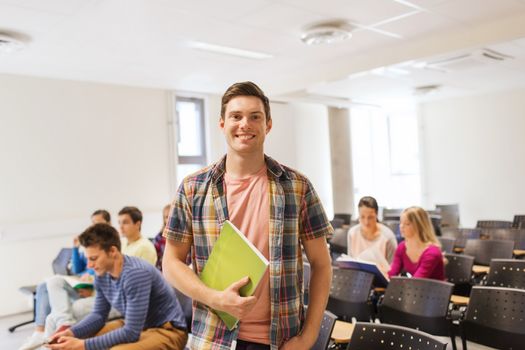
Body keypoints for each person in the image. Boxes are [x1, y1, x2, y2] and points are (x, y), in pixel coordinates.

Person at [162, 81, 333, 350]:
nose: (245, 124)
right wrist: (215, 298)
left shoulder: (297, 187)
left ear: (268, 125)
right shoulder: (193, 188)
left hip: (282, 341)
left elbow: (322, 265)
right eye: (236, 116)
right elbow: (171, 263)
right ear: (222, 124)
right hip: (213, 339)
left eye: (255, 117)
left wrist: (308, 337)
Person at [47, 223, 188, 350]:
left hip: (169, 331)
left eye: (93, 258)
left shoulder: (135, 274)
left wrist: (83, 345)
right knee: (82, 338)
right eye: (88, 259)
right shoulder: (102, 274)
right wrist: (71, 332)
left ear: (113, 251)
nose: (89, 265)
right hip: (141, 326)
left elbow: (131, 333)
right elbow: (98, 315)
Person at [19, 210, 110, 350]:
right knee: (47, 284)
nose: (94, 225)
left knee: (52, 316)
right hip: (81, 279)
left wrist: (91, 280)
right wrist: (75, 248)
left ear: (107, 223)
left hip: (91, 285)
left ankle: (56, 327)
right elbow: (77, 268)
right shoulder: (90, 242)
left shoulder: (109, 244)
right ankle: (39, 331)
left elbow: (103, 267)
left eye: (98, 222)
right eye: (93, 222)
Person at [388, 206, 445, 280]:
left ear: (419, 226)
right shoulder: (402, 247)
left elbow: (416, 281)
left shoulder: (432, 252)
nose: (401, 226)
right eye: (401, 223)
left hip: (432, 290)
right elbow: (392, 274)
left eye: (407, 224)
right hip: (416, 289)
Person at [347, 196, 397, 275]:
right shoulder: (352, 233)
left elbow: (393, 270)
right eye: (362, 217)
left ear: (377, 215)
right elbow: (351, 263)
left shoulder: (388, 237)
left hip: (381, 283)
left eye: (370, 217)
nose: (366, 222)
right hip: (358, 278)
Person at [153, 204, 171, 271]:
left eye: (172, 216)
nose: (169, 219)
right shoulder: (158, 238)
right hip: (163, 273)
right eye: (166, 217)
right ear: (164, 219)